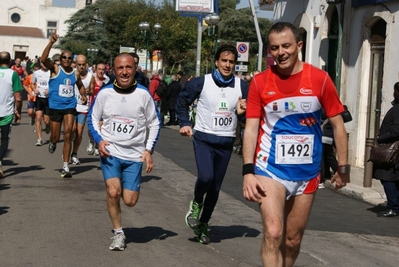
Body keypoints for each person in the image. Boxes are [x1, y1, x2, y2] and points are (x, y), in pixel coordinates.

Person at [241, 22, 350, 267]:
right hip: (270, 169)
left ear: (299, 46)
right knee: (274, 231)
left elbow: (338, 125)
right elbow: (250, 129)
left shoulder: (320, 79)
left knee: (291, 240)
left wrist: (343, 167)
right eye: (275, 48)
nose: (281, 52)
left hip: (307, 172)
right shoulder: (260, 82)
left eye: (286, 46)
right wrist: (248, 171)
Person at [176, 43, 248, 244]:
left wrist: (244, 113)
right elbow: (182, 101)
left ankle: (203, 224)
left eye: (231, 62)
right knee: (206, 177)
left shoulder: (242, 86)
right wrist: (184, 123)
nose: (227, 65)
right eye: (224, 61)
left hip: (226, 142)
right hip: (204, 139)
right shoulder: (201, 82)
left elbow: (249, 116)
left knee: (216, 188)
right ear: (216, 62)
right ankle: (197, 202)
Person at [88, 53, 161, 251]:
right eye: (120, 68)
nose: (124, 72)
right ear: (114, 70)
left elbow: (154, 123)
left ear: (134, 69)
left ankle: (121, 195)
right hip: (110, 152)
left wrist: (148, 150)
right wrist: (99, 140)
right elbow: (93, 118)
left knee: (129, 201)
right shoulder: (105, 93)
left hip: (134, 155)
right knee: (113, 192)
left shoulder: (143, 94)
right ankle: (118, 233)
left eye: (128, 67)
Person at [40, 32, 87, 178]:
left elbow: (79, 86)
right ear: (60, 59)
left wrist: (83, 94)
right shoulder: (55, 69)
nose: (66, 59)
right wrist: (51, 42)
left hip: (69, 107)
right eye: (64, 57)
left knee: (68, 135)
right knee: (55, 136)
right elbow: (43, 59)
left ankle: (66, 166)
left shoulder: (75, 73)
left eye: (69, 58)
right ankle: (53, 142)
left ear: (71, 60)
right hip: (55, 107)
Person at [373, 82, 399, 217]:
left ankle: (393, 207)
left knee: (387, 177)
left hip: (392, 151)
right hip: (394, 150)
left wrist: (381, 138)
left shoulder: (397, 109)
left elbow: (396, 130)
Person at [0, 51, 23, 178]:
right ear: (10, 61)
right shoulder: (13, 74)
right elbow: (19, 98)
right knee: (4, 139)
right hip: (6, 112)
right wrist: (18, 112)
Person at [70, 55, 94, 164]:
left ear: (86, 64)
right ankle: (66, 150)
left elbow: (92, 91)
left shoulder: (91, 76)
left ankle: (74, 153)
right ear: (76, 64)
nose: (81, 67)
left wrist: (88, 92)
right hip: (71, 106)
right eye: (79, 65)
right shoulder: (72, 74)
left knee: (79, 133)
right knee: (71, 131)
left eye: (83, 64)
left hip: (83, 107)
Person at [86, 61, 110, 156]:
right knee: (90, 128)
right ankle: (91, 141)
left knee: (100, 126)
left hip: (103, 108)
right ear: (95, 70)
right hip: (92, 106)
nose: (101, 71)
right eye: (99, 69)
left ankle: (96, 145)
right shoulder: (91, 79)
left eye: (103, 69)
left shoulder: (107, 81)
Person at [32, 61, 51, 146]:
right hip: (39, 98)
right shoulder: (36, 73)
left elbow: (55, 84)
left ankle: (48, 126)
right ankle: (39, 139)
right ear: (41, 64)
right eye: (43, 63)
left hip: (48, 99)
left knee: (47, 120)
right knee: (38, 118)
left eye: (46, 63)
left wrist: (50, 90)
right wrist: (34, 89)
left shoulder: (51, 73)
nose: (45, 65)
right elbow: (32, 84)